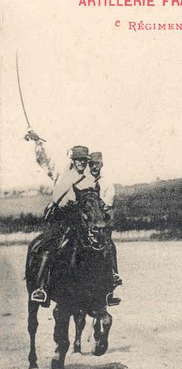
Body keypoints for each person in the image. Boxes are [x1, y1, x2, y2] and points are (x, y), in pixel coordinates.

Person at [26, 129, 99, 304]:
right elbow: (44, 159)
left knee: (97, 248)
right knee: (48, 246)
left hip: (79, 222)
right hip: (59, 219)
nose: (81, 163)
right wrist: (37, 142)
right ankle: (41, 288)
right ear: (73, 160)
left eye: (84, 160)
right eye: (79, 159)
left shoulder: (89, 180)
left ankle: (102, 287)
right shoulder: (60, 171)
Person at [89, 152, 122, 299]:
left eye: (96, 163)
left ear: (102, 164)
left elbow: (106, 205)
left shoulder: (107, 183)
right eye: (91, 164)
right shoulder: (84, 181)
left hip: (102, 222)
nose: (94, 166)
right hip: (87, 224)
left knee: (109, 246)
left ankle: (113, 275)